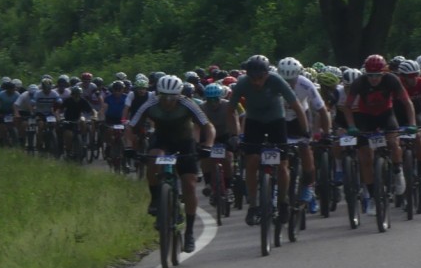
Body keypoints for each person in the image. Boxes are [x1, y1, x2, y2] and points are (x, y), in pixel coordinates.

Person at [126, 75, 215, 253]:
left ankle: (189, 232)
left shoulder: (187, 103)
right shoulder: (150, 104)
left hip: (184, 142)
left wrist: (208, 145)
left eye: (172, 97)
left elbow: (208, 126)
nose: (168, 101)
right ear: (158, 94)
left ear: (179, 95)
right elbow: (130, 126)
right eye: (164, 96)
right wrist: (129, 146)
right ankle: (156, 199)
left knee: (189, 185)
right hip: (162, 140)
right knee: (153, 159)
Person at [227, 55, 309, 226]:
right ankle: (253, 205)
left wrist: (305, 132)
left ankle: (283, 202)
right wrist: (233, 135)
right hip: (254, 121)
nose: (257, 82)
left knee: (283, 164)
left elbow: (296, 107)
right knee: (252, 161)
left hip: (276, 121)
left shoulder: (276, 80)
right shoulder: (242, 83)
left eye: (260, 78)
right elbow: (230, 110)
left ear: (267, 74)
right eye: (253, 78)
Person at [341, 54, 414, 210]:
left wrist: (412, 123)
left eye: (377, 75)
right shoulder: (359, 83)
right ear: (366, 74)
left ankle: (397, 170)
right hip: (365, 117)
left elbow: (406, 102)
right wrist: (351, 126)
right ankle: (373, 196)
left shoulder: (392, 80)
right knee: (365, 156)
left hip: (386, 114)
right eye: (371, 76)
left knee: (393, 141)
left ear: (384, 73)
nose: (374, 79)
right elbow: (347, 107)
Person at [278, 57, 332, 213]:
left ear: (298, 75)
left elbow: (322, 110)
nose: (289, 83)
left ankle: (309, 186)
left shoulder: (305, 84)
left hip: (300, 118)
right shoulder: (274, 83)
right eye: (285, 80)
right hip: (280, 118)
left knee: (305, 150)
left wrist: (326, 133)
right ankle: (277, 188)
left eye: (292, 79)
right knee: (280, 156)